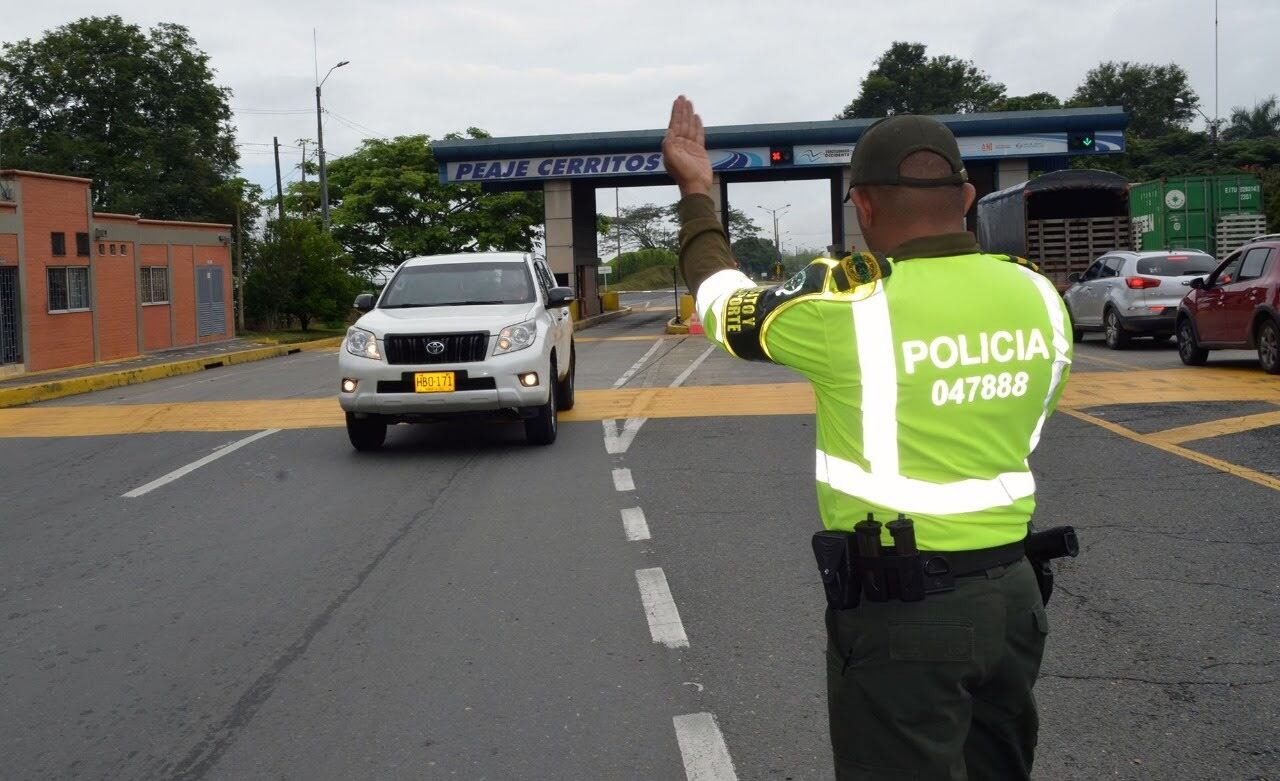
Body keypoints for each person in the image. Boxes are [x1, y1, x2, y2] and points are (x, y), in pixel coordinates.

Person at [662, 95, 1073, 780]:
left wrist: (697, 193)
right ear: (969, 196)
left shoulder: (848, 309)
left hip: (909, 615)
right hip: (1014, 600)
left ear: (864, 208)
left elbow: (719, 301)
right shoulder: (1040, 298)